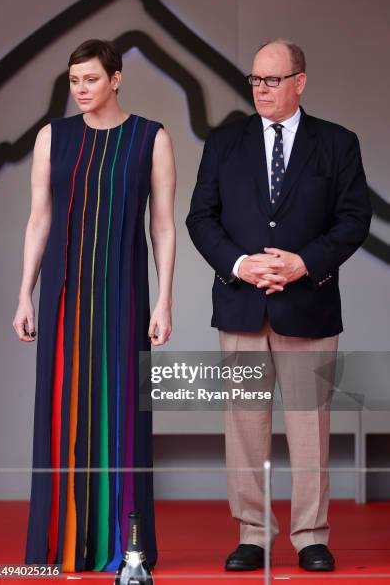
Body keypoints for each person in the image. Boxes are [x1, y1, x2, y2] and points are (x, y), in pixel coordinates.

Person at [186, 39, 372, 572]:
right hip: (242, 303)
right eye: (255, 80)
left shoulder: (337, 143)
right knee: (243, 425)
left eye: (272, 80)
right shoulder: (225, 142)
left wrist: (303, 263)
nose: (261, 90)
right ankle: (253, 534)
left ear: (300, 81)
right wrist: (241, 265)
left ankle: (311, 534)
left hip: (308, 304)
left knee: (310, 426)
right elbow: (202, 218)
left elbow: (353, 219)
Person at [13, 39, 176, 572]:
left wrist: (165, 300)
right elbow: (39, 220)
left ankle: (124, 549)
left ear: (116, 78)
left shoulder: (151, 138)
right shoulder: (51, 137)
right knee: (62, 415)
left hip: (124, 297)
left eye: (90, 80)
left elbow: (163, 227)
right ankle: (59, 546)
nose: (81, 90)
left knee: (122, 415)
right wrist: (24, 294)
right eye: (74, 81)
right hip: (63, 297)